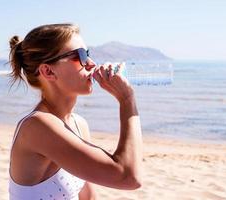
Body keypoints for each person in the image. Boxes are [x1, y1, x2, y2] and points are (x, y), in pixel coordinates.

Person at [8, 23, 143, 200]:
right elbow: (129, 177)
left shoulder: (78, 124)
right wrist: (127, 100)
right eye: (80, 56)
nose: (91, 63)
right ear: (48, 71)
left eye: (88, 54)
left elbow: (89, 197)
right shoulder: (37, 126)